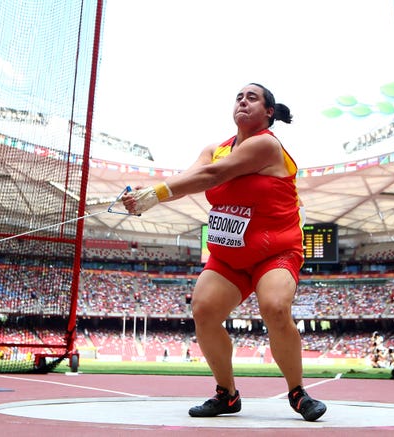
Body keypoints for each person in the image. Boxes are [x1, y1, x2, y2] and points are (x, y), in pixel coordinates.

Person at [122, 83, 326, 421]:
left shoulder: (266, 145)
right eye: (239, 97)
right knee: (203, 311)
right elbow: (192, 176)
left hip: (274, 251)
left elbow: (215, 175)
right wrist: (147, 194)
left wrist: (156, 194)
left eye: (253, 98)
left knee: (275, 307)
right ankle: (227, 394)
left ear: (269, 113)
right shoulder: (213, 149)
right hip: (229, 254)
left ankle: (297, 392)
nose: (243, 101)